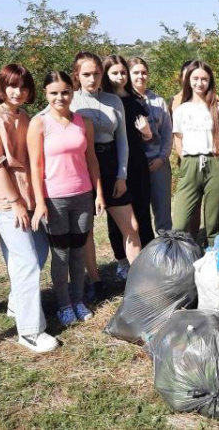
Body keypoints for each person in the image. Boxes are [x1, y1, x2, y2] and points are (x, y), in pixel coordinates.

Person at [0, 64, 59, 353]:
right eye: (12, 85)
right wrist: (15, 202)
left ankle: (17, 303)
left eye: (24, 87)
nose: (18, 91)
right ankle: (30, 331)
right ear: (2, 86)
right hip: (8, 199)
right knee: (25, 261)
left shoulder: (23, 116)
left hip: (27, 196)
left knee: (38, 252)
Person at [28, 71, 105, 326]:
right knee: (60, 254)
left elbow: (92, 159)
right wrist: (40, 202)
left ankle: (78, 299)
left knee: (79, 251)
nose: (60, 97)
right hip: (55, 199)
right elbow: (36, 166)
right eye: (54, 93)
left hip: (82, 195)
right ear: (46, 94)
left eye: (65, 92)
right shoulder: (39, 124)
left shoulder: (84, 122)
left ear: (72, 92)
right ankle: (63, 304)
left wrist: (98, 192)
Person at [70, 52, 141, 290]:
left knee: (131, 226)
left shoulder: (114, 101)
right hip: (82, 166)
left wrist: (122, 174)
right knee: (86, 229)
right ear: (77, 75)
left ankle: (139, 280)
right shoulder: (69, 101)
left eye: (96, 74)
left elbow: (123, 140)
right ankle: (95, 280)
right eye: (86, 74)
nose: (92, 79)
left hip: (111, 162)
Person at [170, 59, 219, 239]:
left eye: (204, 79)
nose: (199, 83)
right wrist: (186, 161)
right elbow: (178, 139)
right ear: (188, 80)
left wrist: (217, 154)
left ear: (210, 82)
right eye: (195, 78)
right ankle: (181, 259)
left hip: (214, 164)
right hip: (190, 164)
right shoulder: (181, 110)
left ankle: (212, 258)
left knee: (213, 222)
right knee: (179, 222)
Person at [102, 55, 155, 275]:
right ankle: (122, 260)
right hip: (114, 165)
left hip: (137, 163)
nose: (120, 77)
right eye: (114, 73)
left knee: (142, 210)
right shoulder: (105, 101)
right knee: (118, 216)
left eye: (123, 72)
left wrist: (146, 133)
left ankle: (148, 256)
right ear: (106, 75)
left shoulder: (135, 100)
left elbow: (145, 136)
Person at [129, 57, 173, 234]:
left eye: (144, 72)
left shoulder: (158, 101)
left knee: (163, 212)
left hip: (158, 164)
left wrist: (162, 158)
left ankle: (167, 249)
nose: (141, 76)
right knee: (139, 213)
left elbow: (167, 133)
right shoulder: (125, 101)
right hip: (136, 165)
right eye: (136, 72)